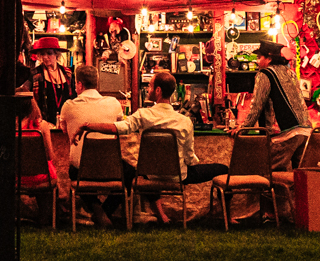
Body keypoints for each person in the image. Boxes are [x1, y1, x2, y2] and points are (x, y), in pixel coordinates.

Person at [74, 69, 227, 222]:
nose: (147, 88)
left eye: (150, 85)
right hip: (178, 176)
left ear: (158, 90)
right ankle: (228, 216)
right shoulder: (184, 121)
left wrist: (88, 126)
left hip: (149, 174)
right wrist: (192, 163)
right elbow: (189, 155)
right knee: (223, 169)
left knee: (132, 170)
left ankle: (106, 213)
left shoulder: (143, 115)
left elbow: (117, 128)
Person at [57, 66, 127, 226]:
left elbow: (63, 129)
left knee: (76, 170)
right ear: (97, 83)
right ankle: (106, 210)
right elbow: (120, 125)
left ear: (80, 85)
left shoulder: (68, 106)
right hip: (111, 169)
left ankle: (98, 210)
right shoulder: (114, 103)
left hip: (81, 170)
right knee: (130, 173)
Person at [27, 36, 77, 126]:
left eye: (49, 53)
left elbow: (74, 96)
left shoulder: (67, 73)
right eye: (42, 54)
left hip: (66, 123)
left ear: (57, 54)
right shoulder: (35, 74)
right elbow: (26, 95)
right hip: (43, 123)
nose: (45, 57)